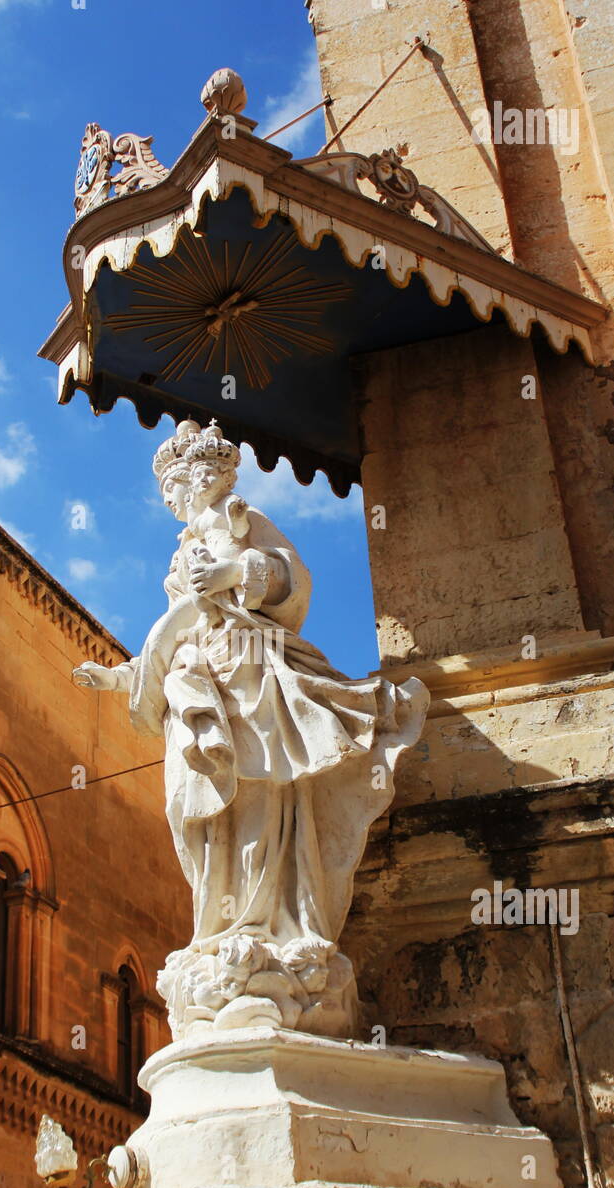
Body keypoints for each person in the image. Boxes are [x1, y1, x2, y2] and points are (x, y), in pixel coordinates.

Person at [73, 419, 428, 1037]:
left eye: (195, 481)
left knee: (264, 801)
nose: (188, 494)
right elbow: (174, 631)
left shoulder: (245, 519)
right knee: (200, 816)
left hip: (257, 677)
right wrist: (122, 677)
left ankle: (277, 935)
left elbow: (293, 580)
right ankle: (220, 934)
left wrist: (235, 575)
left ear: (216, 477)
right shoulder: (182, 552)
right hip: (201, 684)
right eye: (178, 489)